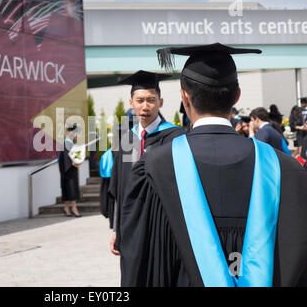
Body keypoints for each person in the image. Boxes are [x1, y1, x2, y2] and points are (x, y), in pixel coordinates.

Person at [121, 43, 307, 287]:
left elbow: (139, 262)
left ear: (184, 97)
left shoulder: (155, 169)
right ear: (237, 95)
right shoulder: (286, 170)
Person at [109, 70, 184, 256]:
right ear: (131, 103)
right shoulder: (125, 141)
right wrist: (116, 230)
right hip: (130, 227)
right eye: (140, 100)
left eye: (151, 100)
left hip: (165, 228)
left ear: (160, 102)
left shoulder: (175, 138)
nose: (145, 106)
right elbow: (119, 189)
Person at [58, 124, 82, 217]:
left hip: (70, 170)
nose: (77, 136)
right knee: (71, 188)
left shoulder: (69, 143)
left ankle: (66, 208)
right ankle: (74, 208)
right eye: (76, 134)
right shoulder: (67, 143)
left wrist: (77, 161)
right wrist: (75, 163)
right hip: (68, 171)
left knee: (68, 188)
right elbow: (67, 160)